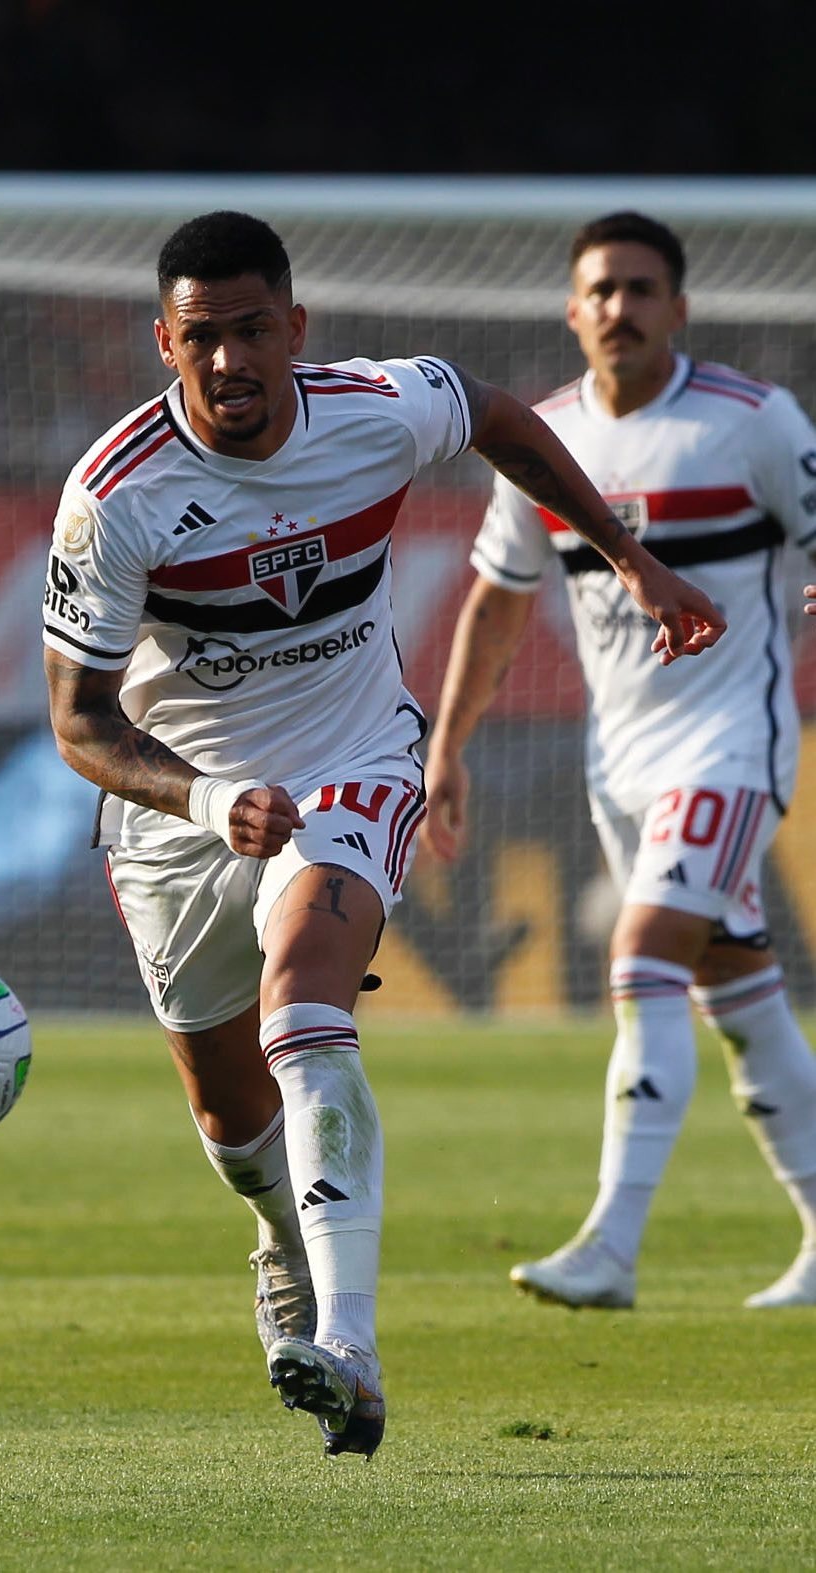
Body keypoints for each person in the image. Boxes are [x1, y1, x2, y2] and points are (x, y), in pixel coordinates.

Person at [42, 210, 724, 1457]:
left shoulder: (380, 405)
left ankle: (350, 1348)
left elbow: (507, 421)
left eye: (255, 330)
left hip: (351, 761)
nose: (232, 360)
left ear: (294, 328)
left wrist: (626, 558)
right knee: (231, 1124)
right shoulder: (115, 496)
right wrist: (203, 800)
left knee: (305, 999)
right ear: (165, 343)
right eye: (204, 338)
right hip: (181, 815)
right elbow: (78, 722)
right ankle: (279, 1233)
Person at [423, 209, 816, 1312]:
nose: (620, 309)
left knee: (640, 960)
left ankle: (610, 1245)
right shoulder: (543, 443)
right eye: (600, 290)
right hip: (620, 766)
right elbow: (495, 609)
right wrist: (444, 747)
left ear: (678, 309)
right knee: (739, 998)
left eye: (642, 290)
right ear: (571, 310)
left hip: (731, 744)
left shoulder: (752, 421)